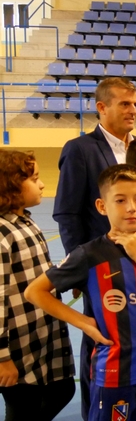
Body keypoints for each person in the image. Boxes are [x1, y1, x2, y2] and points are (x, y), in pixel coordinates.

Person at [26, 164, 136, 421]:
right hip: (111, 373)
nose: (131, 207)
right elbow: (35, 292)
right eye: (120, 200)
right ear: (101, 206)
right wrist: (84, 322)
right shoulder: (89, 254)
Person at [53, 76, 136, 420]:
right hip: (101, 267)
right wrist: (82, 266)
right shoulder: (80, 149)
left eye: (134, 103)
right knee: (101, 341)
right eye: (124, 104)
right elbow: (67, 213)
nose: (132, 110)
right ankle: (96, 411)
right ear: (102, 108)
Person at [0, 150, 75, 421]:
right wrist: (2, 358)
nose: (42, 184)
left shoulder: (25, 221)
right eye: (35, 179)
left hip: (41, 334)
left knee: (63, 389)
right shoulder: (2, 233)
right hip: (15, 346)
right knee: (24, 406)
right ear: (10, 186)